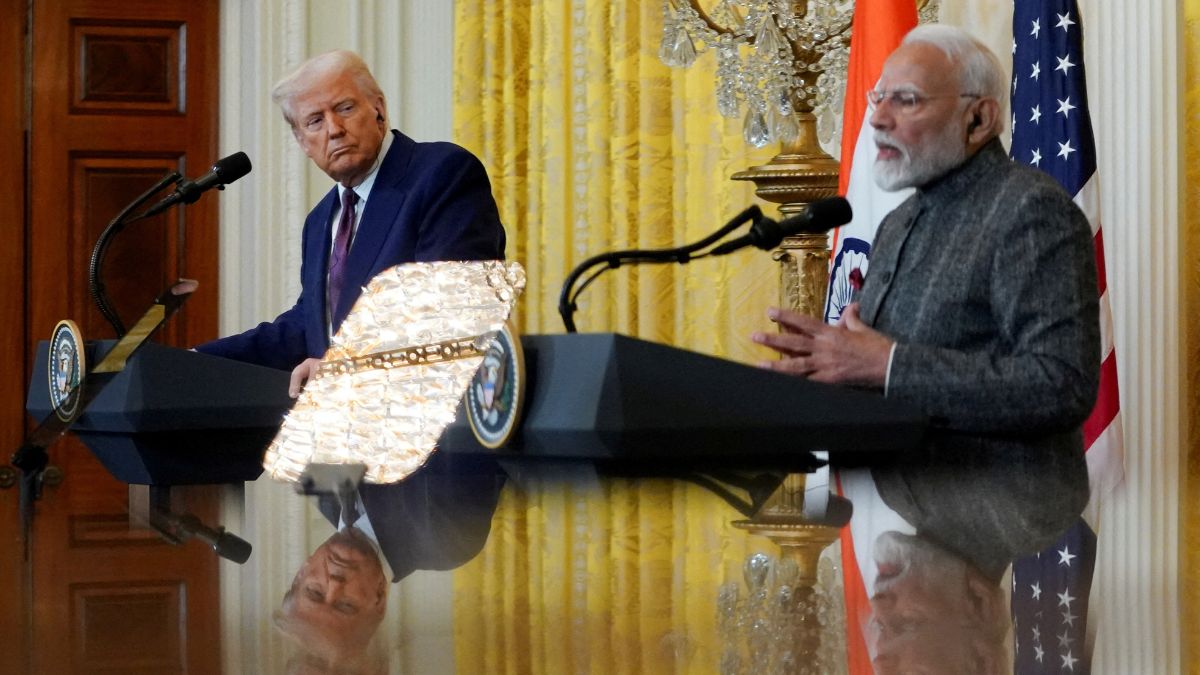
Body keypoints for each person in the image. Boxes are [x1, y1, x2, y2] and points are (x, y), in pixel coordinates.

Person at [751, 24, 1099, 564]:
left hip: (1001, 527)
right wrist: (823, 377)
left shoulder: (1029, 212)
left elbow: (1060, 385)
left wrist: (886, 365)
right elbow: (879, 378)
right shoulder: (899, 224)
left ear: (978, 119)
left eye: (907, 100)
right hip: (904, 524)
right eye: (878, 98)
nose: (878, 118)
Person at [195, 50, 506, 396]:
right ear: (302, 142)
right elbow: (310, 326)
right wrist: (194, 361)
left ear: (378, 109)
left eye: (344, 108)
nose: (334, 130)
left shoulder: (441, 173)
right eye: (315, 121)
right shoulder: (319, 221)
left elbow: (448, 304)